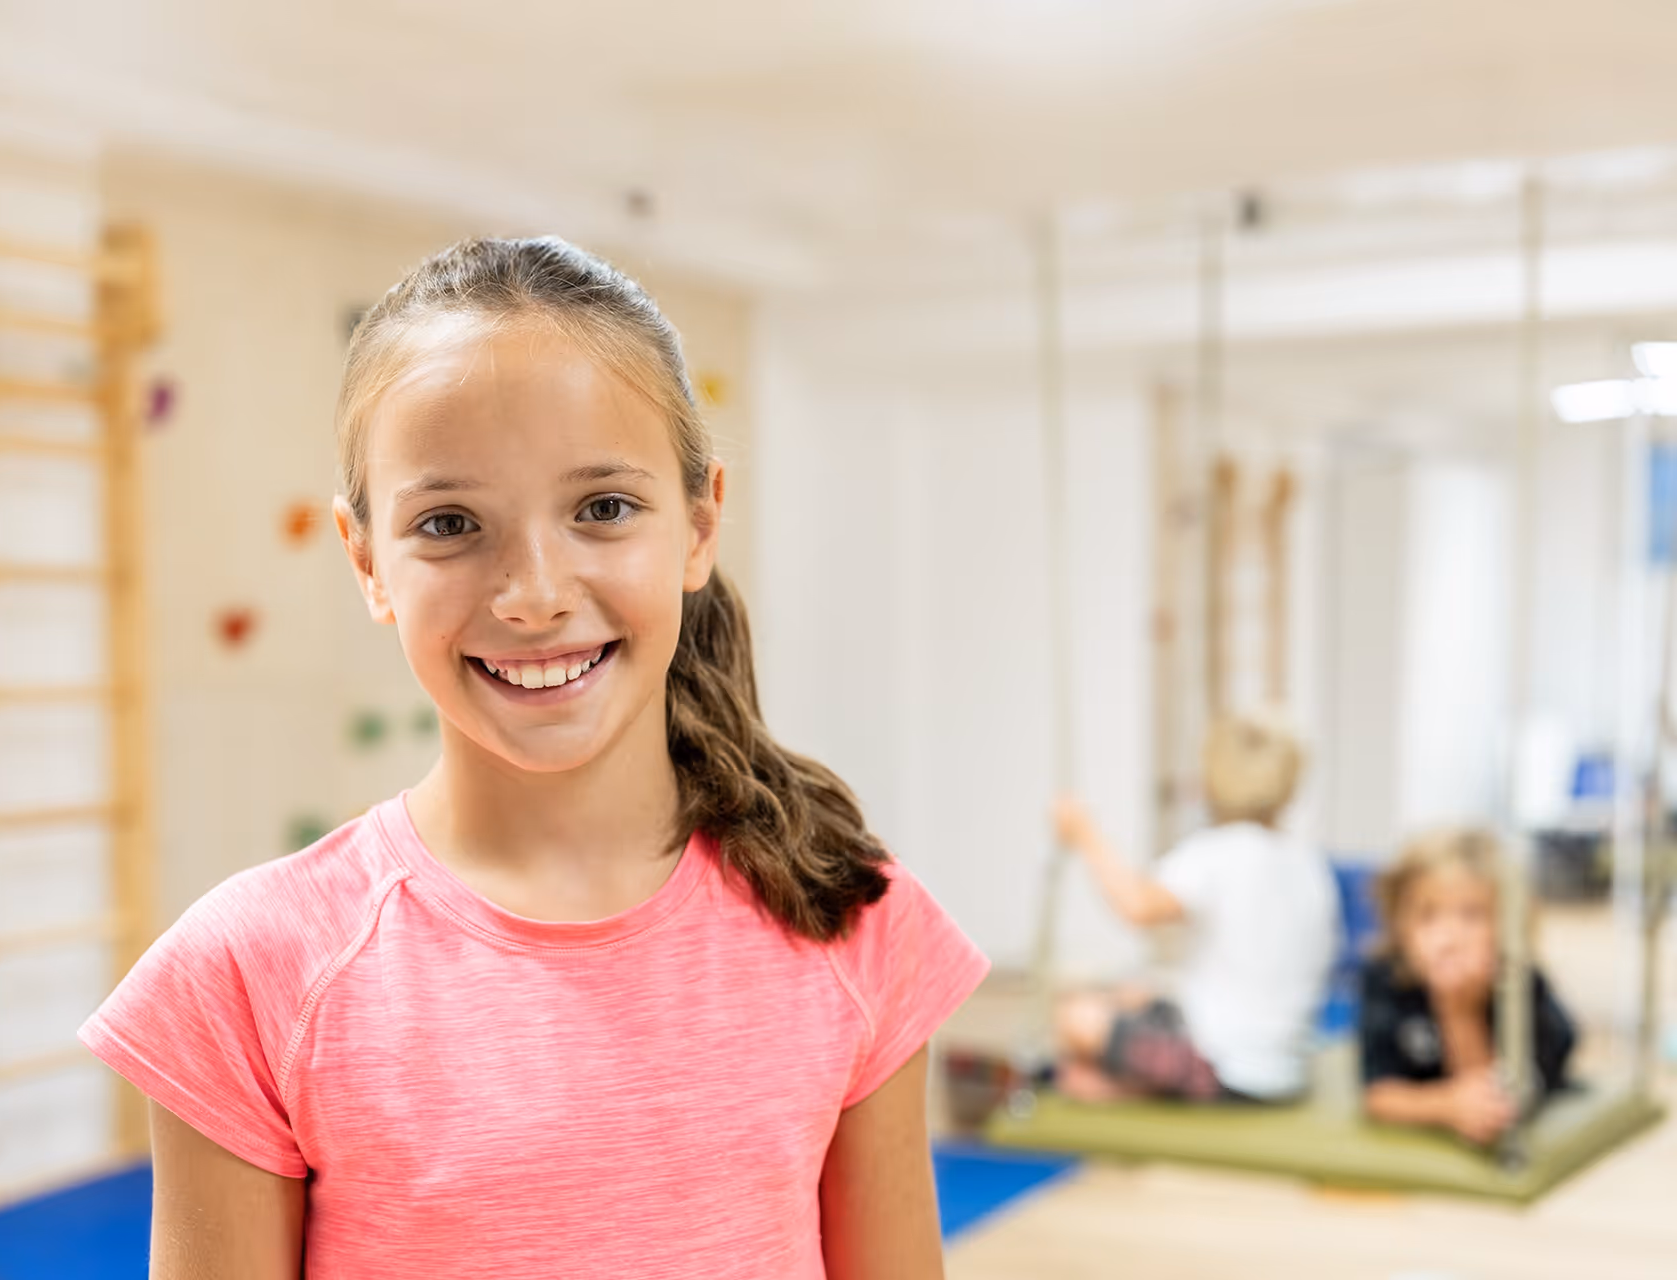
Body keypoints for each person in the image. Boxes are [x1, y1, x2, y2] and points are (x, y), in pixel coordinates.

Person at [78, 237, 988, 1279]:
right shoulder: (247, 971)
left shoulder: (844, 916)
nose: (535, 594)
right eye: (450, 523)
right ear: (367, 560)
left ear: (700, 523)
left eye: (603, 508)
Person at [1049, 711, 1337, 1104]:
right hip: (1286, 1068)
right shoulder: (1309, 863)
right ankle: (1143, 1082)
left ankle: (1147, 1088)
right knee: (1133, 995)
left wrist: (1084, 833)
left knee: (1075, 1021)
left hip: (1225, 1068)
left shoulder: (1217, 852)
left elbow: (1136, 907)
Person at [1359, 827, 1576, 1145]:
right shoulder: (1385, 979)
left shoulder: (1522, 988)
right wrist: (1446, 1105)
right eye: (1427, 916)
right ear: (1398, 924)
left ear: (1509, 925)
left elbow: (1498, 1108)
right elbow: (1377, 1095)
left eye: (1471, 916)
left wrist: (1460, 1012)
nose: (1449, 938)